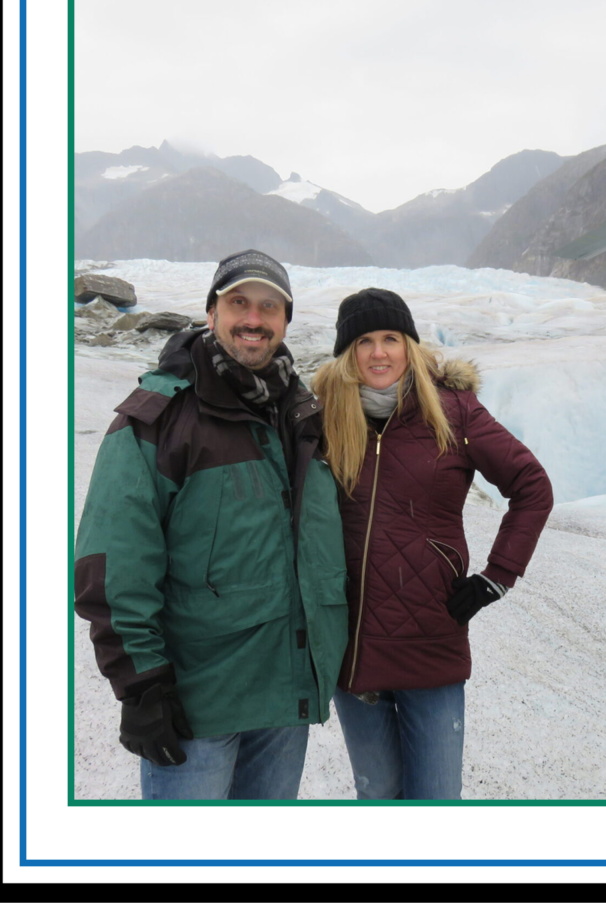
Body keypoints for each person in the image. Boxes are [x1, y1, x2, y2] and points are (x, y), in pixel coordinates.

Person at [74, 249, 348, 800]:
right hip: (198, 705)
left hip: (284, 700)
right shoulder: (157, 419)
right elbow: (111, 562)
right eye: (238, 302)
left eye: (269, 307)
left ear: (286, 321)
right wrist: (142, 686)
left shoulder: (301, 413)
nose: (254, 319)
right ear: (210, 313)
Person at [311, 287, 553, 800]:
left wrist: (498, 576)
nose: (379, 353)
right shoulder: (323, 418)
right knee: (377, 798)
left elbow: (532, 487)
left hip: (430, 643)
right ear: (346, 353)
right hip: (353, 649)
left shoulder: (453, 412)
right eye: (364, 341)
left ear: (410, 346)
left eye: (391, 339)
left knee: (437, 801)